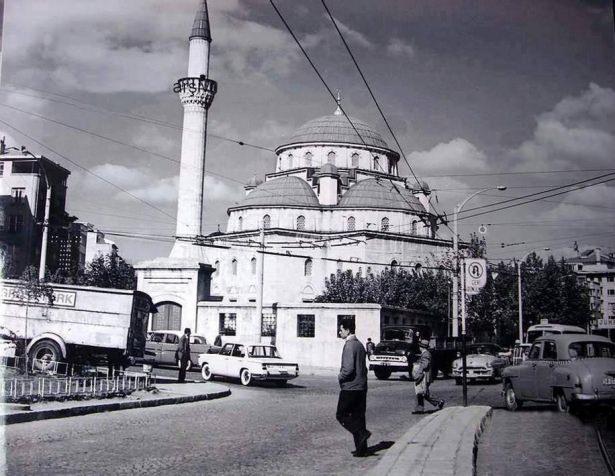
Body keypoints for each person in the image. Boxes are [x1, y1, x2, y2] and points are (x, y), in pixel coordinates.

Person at [336, 319, 371, 457]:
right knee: (359, 417)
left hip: (350, 388)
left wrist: (340, 377)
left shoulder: (349, 345)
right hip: (361, 387)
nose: (340, 332)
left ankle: (362, 433)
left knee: (341, 415)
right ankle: (362, 449)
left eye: (341, 329)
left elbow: (348, 369)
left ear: (348, 330)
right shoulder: (360, 345)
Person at [412, 339, 445, 414]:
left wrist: (418, 372)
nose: (419, 348)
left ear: (422, 347)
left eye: (420, 346)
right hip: (424, 376)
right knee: (422, 393)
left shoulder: (426, 354)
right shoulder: (425, 354)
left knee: (422, 392)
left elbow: (424, 365)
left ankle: (438, 402)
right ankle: (419, 409)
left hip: (424, 376)